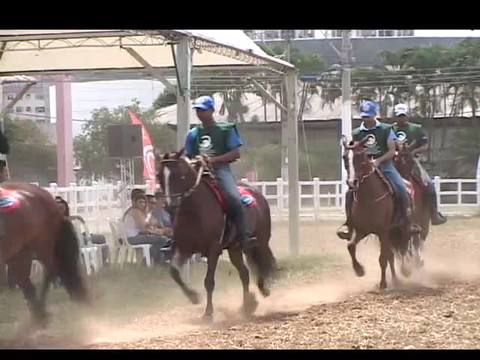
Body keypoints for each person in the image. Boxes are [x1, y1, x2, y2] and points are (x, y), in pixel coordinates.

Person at [184, 95, 256, 251]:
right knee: (179, 198)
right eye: (197, 110)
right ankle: (177, 238)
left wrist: (213, 160)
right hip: (197, 171)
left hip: (220, 170)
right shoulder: (193, 134)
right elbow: (188, 156)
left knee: (233, 197)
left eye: (203, 110)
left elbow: (235, 154)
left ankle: (244, 235)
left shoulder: (226, 129)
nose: (199, 113)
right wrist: (195, 161)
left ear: (211, 110)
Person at [337, 100, 415, 240]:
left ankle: (407, 222)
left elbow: (392, 151)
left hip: (385, 165)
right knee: (350, 193)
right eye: (364, 116)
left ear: (374, 115)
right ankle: (350, 224)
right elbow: (354, 152)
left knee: (401, 188)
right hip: (364, 168)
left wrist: (378, 161)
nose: (366, 119)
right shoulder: (357, 132)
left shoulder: (386, 129)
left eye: (368, 116)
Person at [392, 103, 447, 225]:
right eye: (399, 116)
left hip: (413, 161)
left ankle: (434, 214)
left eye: (403, 115)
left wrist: (413, 152)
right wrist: (395, 152)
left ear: (407, 116)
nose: (401, 118)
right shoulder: (390, 129)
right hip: (394, 161)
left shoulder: (416, 128)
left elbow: (425, 145)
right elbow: (386, 145)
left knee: (429, 184)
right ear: (395, 117)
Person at [55, 196, 110, 264]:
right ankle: (99, 262)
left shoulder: (68, 218)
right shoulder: (57, 220)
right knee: (100, 239)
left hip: (80, 237)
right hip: (75, 241)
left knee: (101, 238)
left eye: (63, 208)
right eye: (59, 208)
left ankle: (101, 261)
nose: (61, 210)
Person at [123, 192, 170, 264]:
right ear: (135, 203)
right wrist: (159, 232)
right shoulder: (135, 211)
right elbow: (143, 229)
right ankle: (146, 261)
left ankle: (158, 261)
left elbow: (148, 226)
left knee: (160, 239)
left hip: (133, 237)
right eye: (140, 202)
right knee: (162, 239)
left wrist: (157, 231)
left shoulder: (140, 212)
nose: (142, 204)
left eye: (144, 202)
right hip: (131, 238)